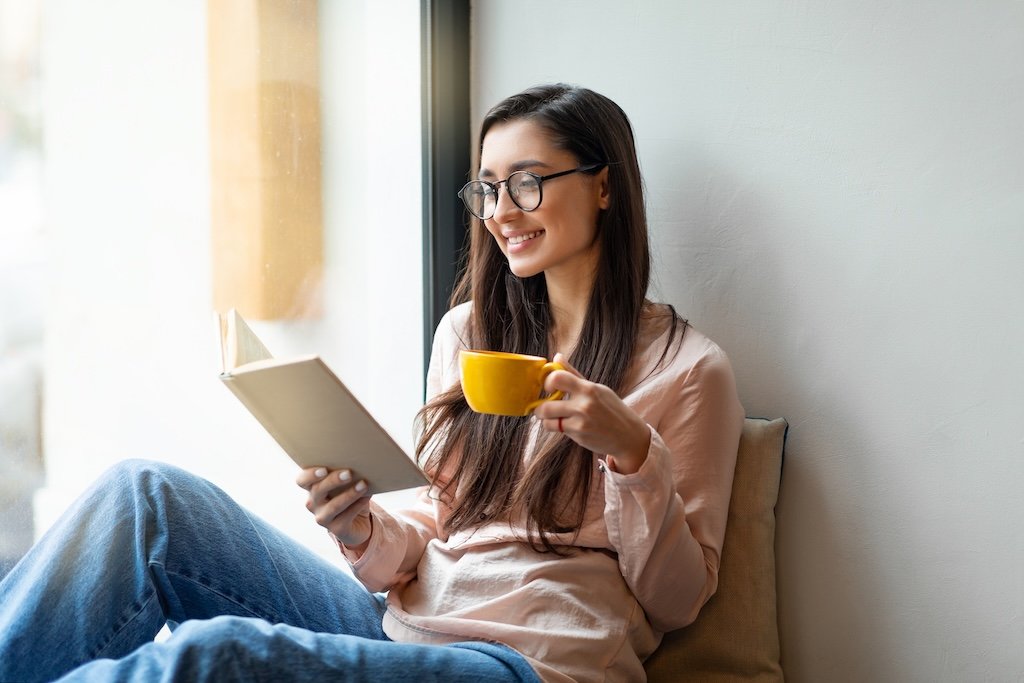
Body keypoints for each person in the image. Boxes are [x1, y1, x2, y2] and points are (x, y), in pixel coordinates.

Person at [0, 83, 743, 682]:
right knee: (146, 495)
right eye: (486, 190)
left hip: (528, 663)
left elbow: (675, 601)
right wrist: (358, 526)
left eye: (526, 182)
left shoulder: (688, 370)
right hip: (403, 627)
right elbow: (433, 528)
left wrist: (631, 454)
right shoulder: (467, 335)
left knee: (212, 655)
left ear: (604, 186)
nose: (501, 213)